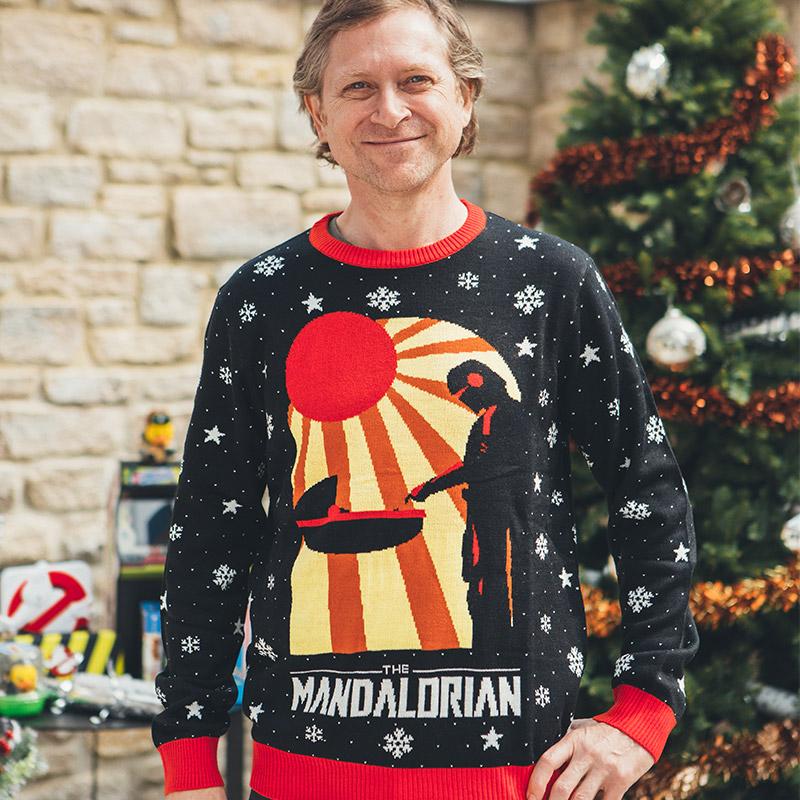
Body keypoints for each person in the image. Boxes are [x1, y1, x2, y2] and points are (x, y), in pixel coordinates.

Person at [151, 1, 700, 799]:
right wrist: (190, 754)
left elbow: (647, 489)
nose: (389, 110)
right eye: (357, 87)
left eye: (416, 80)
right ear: (317, 112)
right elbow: (211, 523)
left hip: (518, 777)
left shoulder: (551, 281)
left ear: (465, 98)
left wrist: (644, 708)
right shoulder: (262, 298)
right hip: (302, 775)